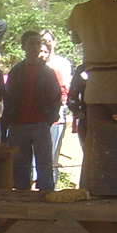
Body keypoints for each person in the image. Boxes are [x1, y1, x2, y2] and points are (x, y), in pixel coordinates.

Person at [0, 30, 62, 192]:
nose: (35, 47)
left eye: (37, 43)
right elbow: (8, 98)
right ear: (24, 47)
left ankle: (47, 197)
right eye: (31, 43)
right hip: (18, 124)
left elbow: (56, 97)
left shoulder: (47, 72)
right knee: (20, 165)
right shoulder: (16, 72)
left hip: (40, 123)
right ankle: (22, 197)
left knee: (44, 164)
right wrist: (8, 122)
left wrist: (49, 119)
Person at [40, 29, 72, 187]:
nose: (45, 44)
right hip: (36, 118)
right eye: (42, 40)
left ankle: (50, 188)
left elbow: (64, 91)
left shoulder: (62, 65)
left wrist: (53, 114)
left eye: (48, 40)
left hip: (55, 118)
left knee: (52, 156)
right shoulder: (30, 67)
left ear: (54, 42)